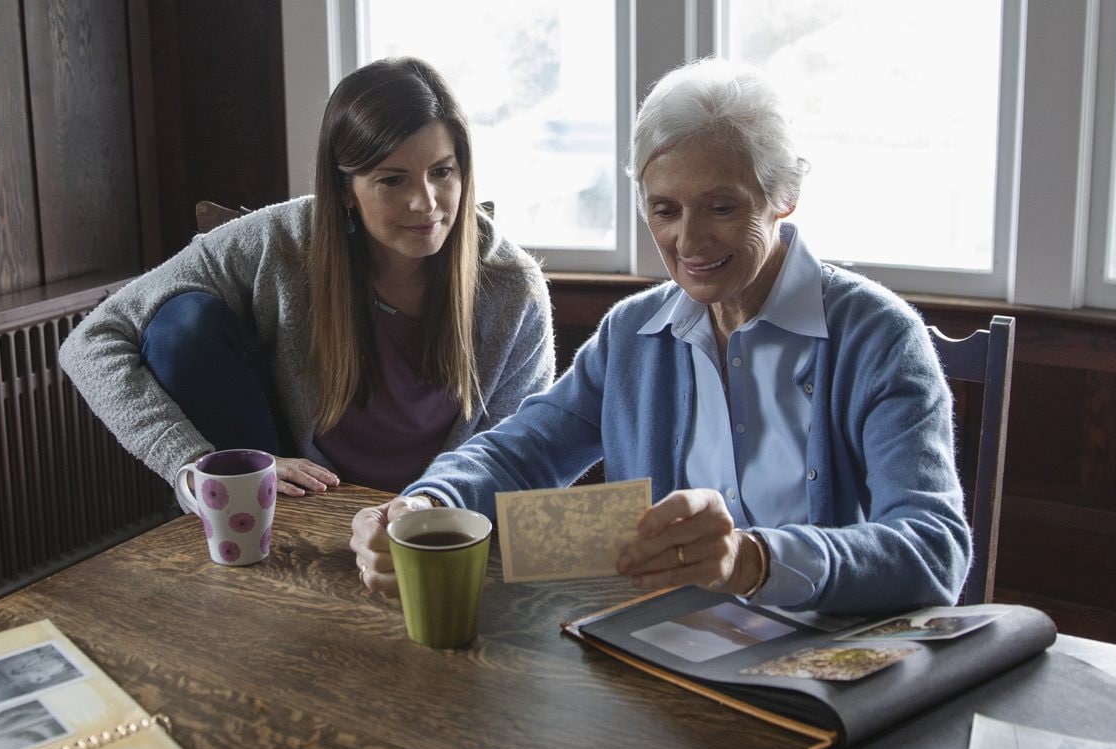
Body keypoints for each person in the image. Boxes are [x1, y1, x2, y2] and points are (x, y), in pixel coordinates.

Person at [349, 59, 971, 616]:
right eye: (665, 210)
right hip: (660, 650)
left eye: (722, 208)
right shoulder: (632, 333)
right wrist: (427, 504)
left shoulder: (879, 337)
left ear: (783, 196)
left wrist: (752, 561)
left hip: (828, 663)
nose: (689, 243)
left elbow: (932, 548)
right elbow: (521, 452)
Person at [59, 57, 554, 497]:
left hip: (440, 515)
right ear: (344, 191)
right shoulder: (281, 241)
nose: (425, 203)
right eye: (392, 179)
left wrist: (431, 511)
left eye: (442, 172)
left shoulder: (512, 287)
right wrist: (190, 463)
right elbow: (92, 340)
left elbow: (521, 450)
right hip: (298, 498)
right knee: (181, 322)